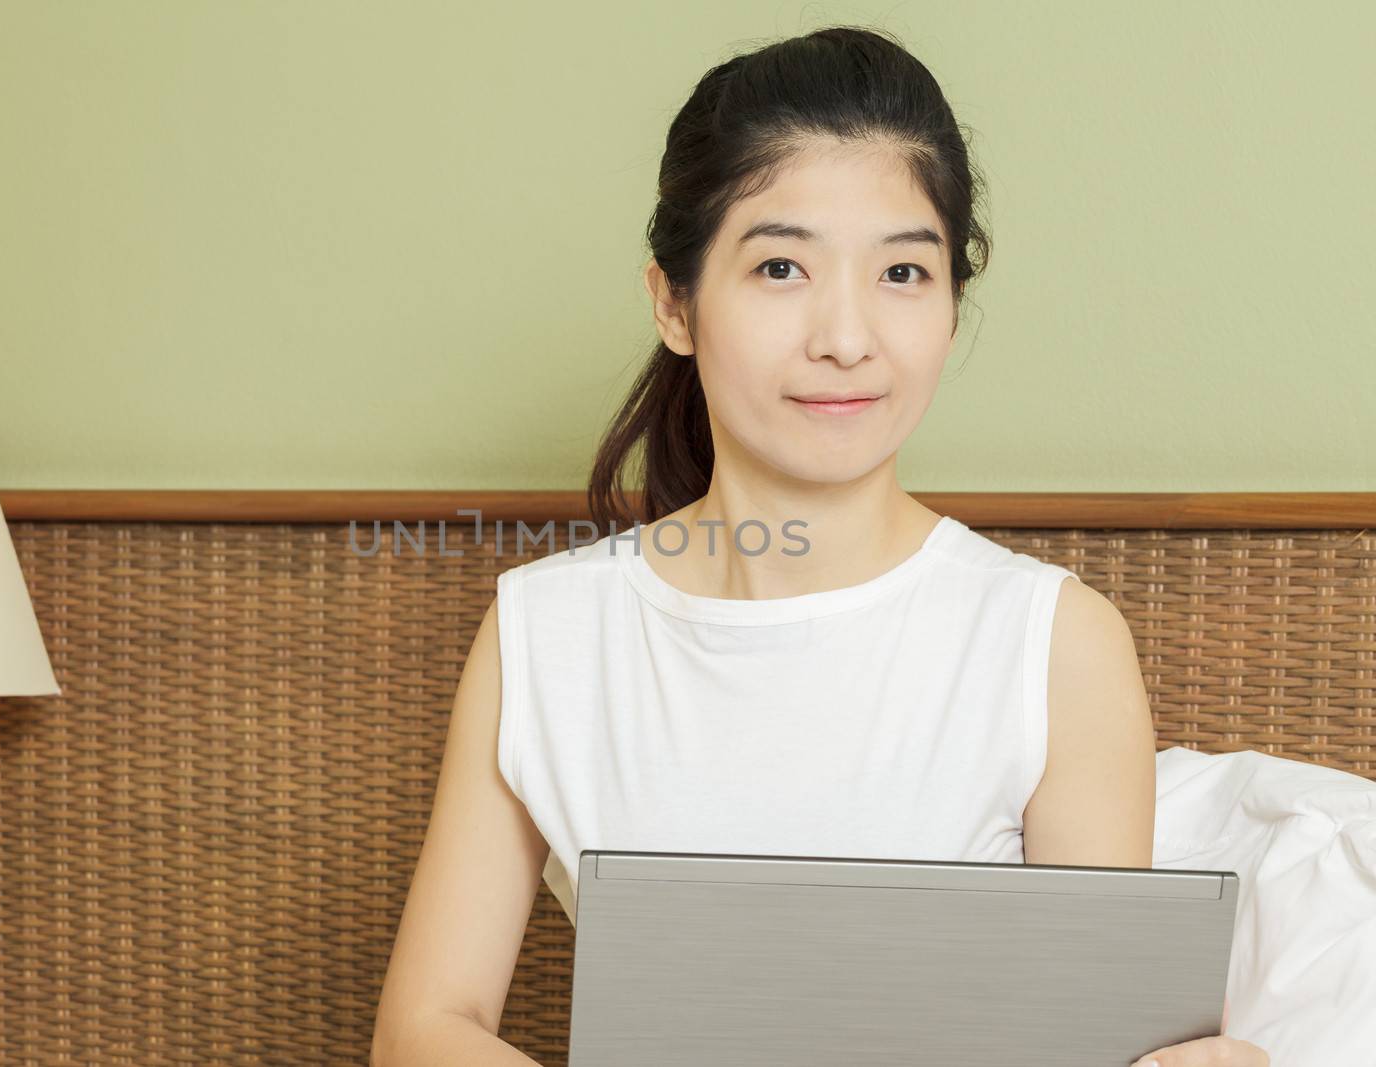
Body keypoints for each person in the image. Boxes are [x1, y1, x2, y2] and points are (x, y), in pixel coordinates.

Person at [371, 24, 1268, 1067]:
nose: (846, 336)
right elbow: (424, 1026)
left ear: (949, 303)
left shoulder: (1052, 640)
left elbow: (1089, 1036)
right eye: (782, 265)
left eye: (902, 273)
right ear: (674, 301)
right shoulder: (549, 628)